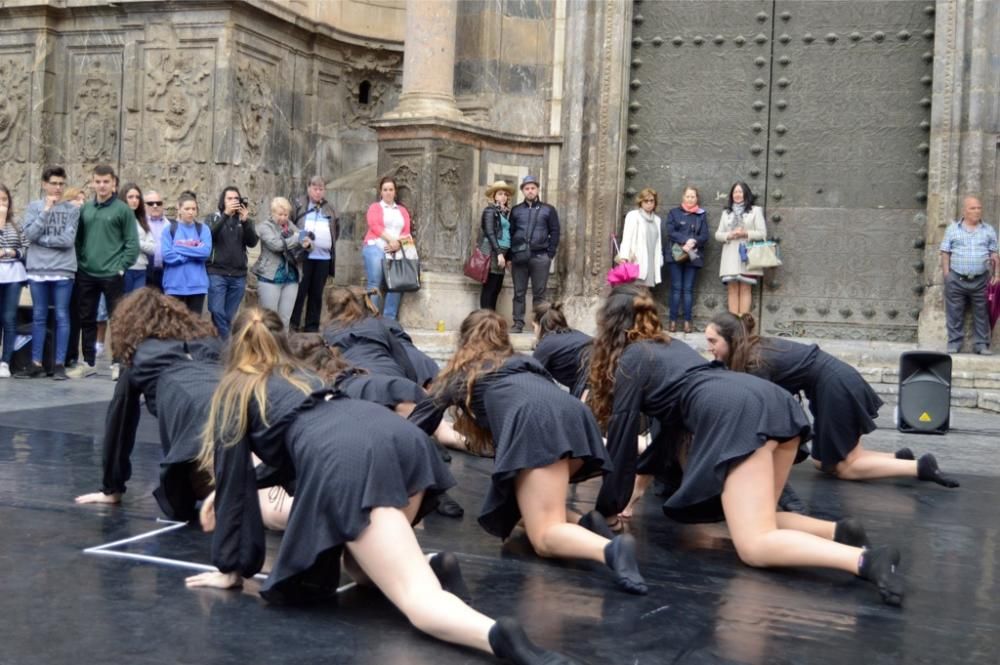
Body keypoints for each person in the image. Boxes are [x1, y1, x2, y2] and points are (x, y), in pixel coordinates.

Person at [186, 308, 577, 665]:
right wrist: (230, 489)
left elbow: (238, 487)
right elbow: (290, 445)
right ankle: (430, 566)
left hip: (348, 458)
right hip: (391, 437)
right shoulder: (299, 374)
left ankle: (497, 637)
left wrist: (230, 569)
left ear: (231, 347)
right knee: (360, 564)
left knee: (416, 599)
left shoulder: (234, 392)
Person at [587, 284, 904, 606]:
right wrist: (637, 486)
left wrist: (606, 508)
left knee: (754, 545)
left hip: (738, 412)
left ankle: (866, 561)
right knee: (758, 515)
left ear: (610, 323)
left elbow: (623, 434)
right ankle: (838, 534)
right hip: (772, 401)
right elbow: (669, 431)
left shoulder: (632, 359)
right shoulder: (673, 345)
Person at [409, 309, 648, 596]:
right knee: (514, 505)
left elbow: (415, 425)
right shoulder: (524, 362)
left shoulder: (462, 374)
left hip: (536, 426)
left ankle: (611, 550)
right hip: (574, 419)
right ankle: (584, 524)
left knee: (544, 537)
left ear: (463, 340)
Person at [705, 312, 960, 488]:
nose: (709, 347)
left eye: (712, 341)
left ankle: (920, 467)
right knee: (822, 462)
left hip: (835, 387)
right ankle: (897, 458)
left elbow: (762, 415)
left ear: (731, 339)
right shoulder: (753, 349)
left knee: (844, 468)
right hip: (832, 382)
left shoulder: (754, 361)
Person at [73, 288, 221, 520]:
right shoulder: (210, 342)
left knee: (206, 493)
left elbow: (120, 422)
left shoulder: (140, 355)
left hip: (200, 442)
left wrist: (112, 488)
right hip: (243, 421)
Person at [67, 164, 139, 379]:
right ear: (92, 183)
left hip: (112, 274)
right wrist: (81, 263)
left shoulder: (122, 210)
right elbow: (78, 241)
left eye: (106, 181)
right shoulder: (86, 209)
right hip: (87, 272)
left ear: (114, 183)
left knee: (116, 319)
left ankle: (117, 362)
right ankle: (89, 362)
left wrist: (121, 267)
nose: (102, 185)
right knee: (86, 318)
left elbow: (132, 243)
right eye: (98, 181)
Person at [18, 167, 79, 380]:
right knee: (39, 316)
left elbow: (67, 241)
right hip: (38, 269)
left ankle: (59, 364)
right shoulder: (34, 207)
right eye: (54, 183)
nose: (58, 188)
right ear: (44, 184)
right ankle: (36, 363)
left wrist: (43, 241)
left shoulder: (72, 210)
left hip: (63, 269)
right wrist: (45, 211)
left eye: (62, 183)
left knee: (62, 315)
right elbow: (29, 234)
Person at [939, 195, 999, 354]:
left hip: (981, 280)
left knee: (982, 313)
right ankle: (954, 343)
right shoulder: (953, 229)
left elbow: (994, 254)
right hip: (956, 279)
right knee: (954, 312)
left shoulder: (988, 230)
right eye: (973, 208)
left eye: (979, 208)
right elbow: (945, 253)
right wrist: (947, 275)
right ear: (964, 211)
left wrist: (996, 275)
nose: (977, 211)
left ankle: (981, 345)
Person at [509, 175, 560, 333]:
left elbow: (555, 231)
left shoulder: (548, 209)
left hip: (540, 257)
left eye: (532, 188)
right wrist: (509, 257)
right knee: (519, 292)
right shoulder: (516, 210)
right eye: (527, 188)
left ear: (537, 189)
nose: (530, 191)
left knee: (539, 294)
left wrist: (549, 254)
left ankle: (538, 325)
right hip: (519, 257)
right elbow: (510, 234)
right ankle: (518, 323)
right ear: (523, 191)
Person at [205, 186, 257, 338]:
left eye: (236, 199)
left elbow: (252, 242)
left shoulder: (245, 221)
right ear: (223, 201)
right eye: (230, 198)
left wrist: (246, 222)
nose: (233, 201)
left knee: (228, 316)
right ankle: (228, 346)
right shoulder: (213, 217)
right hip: (217, 273)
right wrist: (225, 215)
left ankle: (219, 349)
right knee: (216, 311)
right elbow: (209, 236)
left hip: (238, 275)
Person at [253, 196, 311, 330]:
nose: (284, 218)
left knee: (285, 319)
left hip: (291, 278)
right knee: (269, 320)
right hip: (270, 278)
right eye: (280, 214)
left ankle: (281, 349)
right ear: (272, 213)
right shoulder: (264, 226)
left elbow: (308, 242)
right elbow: (276, 245)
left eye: (286, 214)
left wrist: (308, 244)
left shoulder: (290, 225)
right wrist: (297, 239)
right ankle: (266, 348)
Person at [290, 175, 337, 332]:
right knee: (300, 291)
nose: (318, 192)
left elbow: (336, 228)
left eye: (321, 189)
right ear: (309, 188)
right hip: (304, 257)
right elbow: (290, 224)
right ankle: (293, 324)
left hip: (323, 258)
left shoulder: (329, 208)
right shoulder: (299, 204)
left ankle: (312, 327)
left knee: (316, 294)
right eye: (315, 189)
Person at [363, 176, 412, 319]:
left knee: (396, 284)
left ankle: (389, 320)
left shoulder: (402, 210)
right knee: (374, 282)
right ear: (381, 192)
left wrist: (398, 244)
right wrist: (392, 241)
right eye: (385, 190)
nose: (388, 192)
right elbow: (375, 226)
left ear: (395, 192)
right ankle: (372, 319)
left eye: (391, 189)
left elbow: (406, 232)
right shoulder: (375, 207)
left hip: (397, 249)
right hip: (376, 245)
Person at [715, 182, 766, 315]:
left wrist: (745, 233)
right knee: (732, 289)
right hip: (730, 255)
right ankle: (733, 326)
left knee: (745, 289)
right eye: (735, 192)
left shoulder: (755, 211)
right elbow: (718, 234)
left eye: (740, 192)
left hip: (747, 255)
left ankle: (743, 326)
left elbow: (762, 233)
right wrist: (729, 235)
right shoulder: (726, 213)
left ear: (746, 194)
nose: (737, 194)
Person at [663, 185, 709, 333]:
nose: (690, 199)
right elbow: (670, 231)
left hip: (693, 256)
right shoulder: (674, 213)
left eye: (693, 196)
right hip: (676, 254)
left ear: (697, 198)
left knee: (688, 290)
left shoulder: (701, 215)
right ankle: (673, 322)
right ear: (683, 197)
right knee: (676, 289)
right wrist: (685, 241)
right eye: (688, 196)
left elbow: (704, 235)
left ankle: (688, 322)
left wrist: (693, 241)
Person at [161, 192, 212, 313]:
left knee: (194, 327)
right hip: (174, 286)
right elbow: (167, 255)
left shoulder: (203, 229)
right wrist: (194, 251)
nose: (191, 212)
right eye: (187, 208)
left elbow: (205, 252)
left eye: (193, 209)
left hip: (197, 287)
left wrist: (179, 246)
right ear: (179, 209)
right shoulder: (169, 230)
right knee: (174, 326)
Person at [531, 301, 591, 398]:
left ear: (540, 326)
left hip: (590, 372)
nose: (534, 332)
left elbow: (531, 377)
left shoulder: (546, 344)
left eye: (533, 327)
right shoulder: (574, 333)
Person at [0, 184, 27, 379]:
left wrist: (12, 252)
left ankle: (5, 361)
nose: (1, 204)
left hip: (13, 275)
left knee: (8, 318)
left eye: (4, 200)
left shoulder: (16, 224)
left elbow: (26, 248)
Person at [616, 187, 663, 290]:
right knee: (634, 290)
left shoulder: (657, 220)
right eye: (646, 201)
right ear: (641, 202)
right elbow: (627, 237)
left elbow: (658, 242)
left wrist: (659, 259)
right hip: (636, 260)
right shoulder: (633, 216)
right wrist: (624, 257)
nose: (649, 203)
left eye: (652, 201)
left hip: (651, 261)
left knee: (645, 291)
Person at [478, 180, 514, 311]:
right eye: (499, 194)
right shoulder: (490, 210)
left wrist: (506, 255)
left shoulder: (503, 212)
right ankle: (485, 320)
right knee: (490, 287)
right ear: (494, 196)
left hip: (502, 252)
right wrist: (499, 253)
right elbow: (490, 232)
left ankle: (491, 319)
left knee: (497, 287)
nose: (503, 196)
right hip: (493, 251)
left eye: (505, 194)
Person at [119, 183, 157, 294]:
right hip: (124, 269)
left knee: (138, 306)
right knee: (124, 305)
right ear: (123, 198)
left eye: (137, 197)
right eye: (130, 197)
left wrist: (135, 242)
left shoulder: (141, 220)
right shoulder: (119, 219)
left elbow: (153, 248)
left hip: (141, 269)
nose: (135, 200)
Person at [143, 190, 170, 290]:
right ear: (144, 205)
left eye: (158, 203)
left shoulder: (170, 224)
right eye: (150, 203)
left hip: (166, 270)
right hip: (145, 271)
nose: (155, 206)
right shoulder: (139, 223)